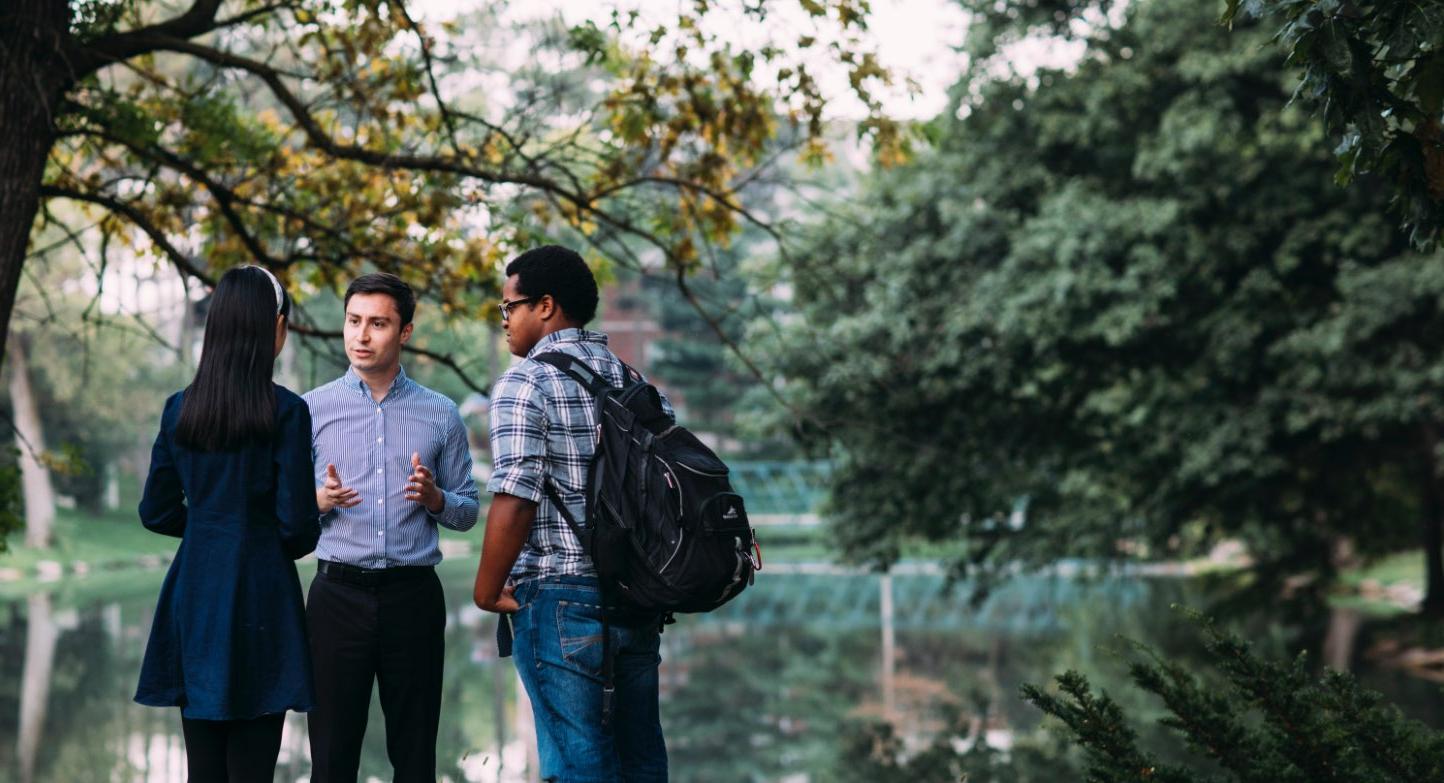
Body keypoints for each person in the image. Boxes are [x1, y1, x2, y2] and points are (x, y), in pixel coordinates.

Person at [474, 245, 671, 782]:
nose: (505, 321)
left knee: (577, 764)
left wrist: (486, 591)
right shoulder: (633, 382)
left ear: (544, 306)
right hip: (636, 598)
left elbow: (515, 495)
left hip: (561, 598)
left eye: (508, 307)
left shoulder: (526, 382)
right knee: (640, 761)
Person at [135, 265, 320, 782]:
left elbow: (155, 511)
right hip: (263, 593)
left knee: (204, 769)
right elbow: (298, 526)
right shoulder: (287, 412)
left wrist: (207, 529)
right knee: (254, 770)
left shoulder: (180, 410)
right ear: (273, 328)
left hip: (196, 593)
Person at [303, 272, 479, 782]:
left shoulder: (441, 414)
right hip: (336, 597)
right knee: (332, 758)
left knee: (416, 754)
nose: (361, 336)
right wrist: (320, 500)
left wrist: (436, 498)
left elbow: (467, 511)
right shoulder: (312, 411)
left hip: (413, 598)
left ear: (404, 332)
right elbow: (284, 511)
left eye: (377, 323)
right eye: (354, 321)